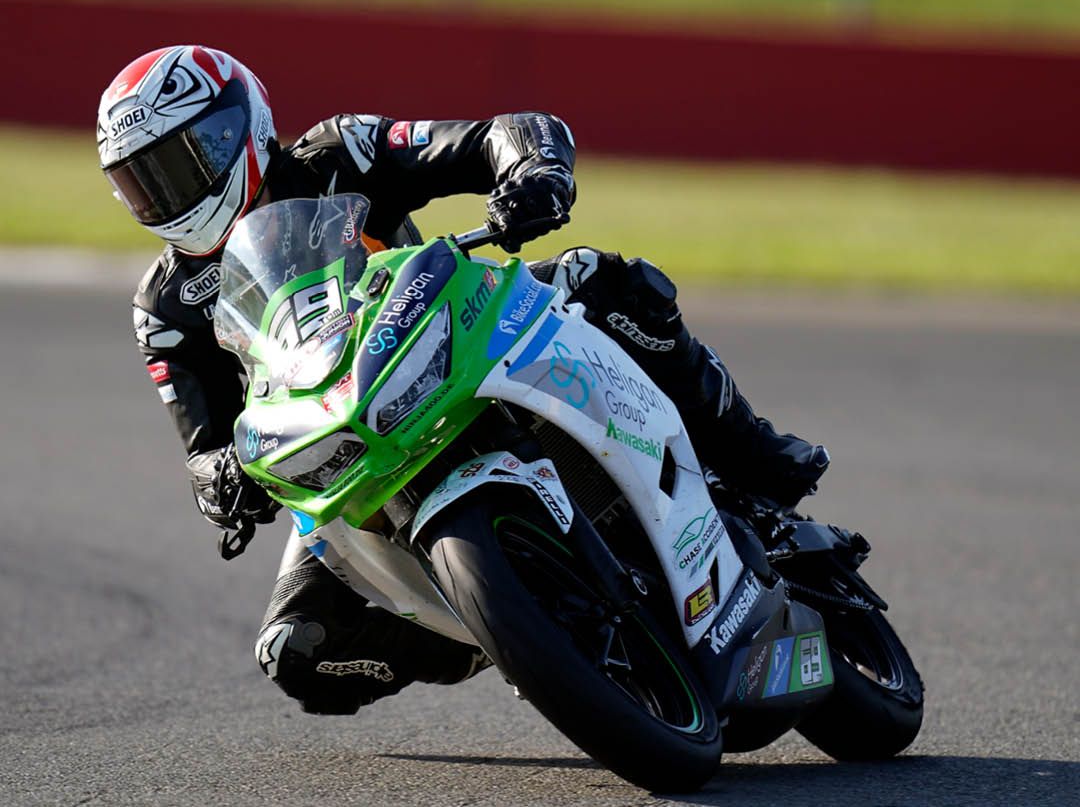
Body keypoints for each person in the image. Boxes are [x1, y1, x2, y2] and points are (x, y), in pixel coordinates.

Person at [99, 46, 829, 715]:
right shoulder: (162, 309)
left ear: (235, 133)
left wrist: (530, 173)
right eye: (141, 182)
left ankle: (752, 454)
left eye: (175, 165)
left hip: (453, 335)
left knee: (603, 281)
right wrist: (218, 481)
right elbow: (203, 442)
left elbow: (491, 137)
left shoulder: (338, 151)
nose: (163, 195)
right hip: (343, 447)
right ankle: (495, 626)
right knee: (295, 648)